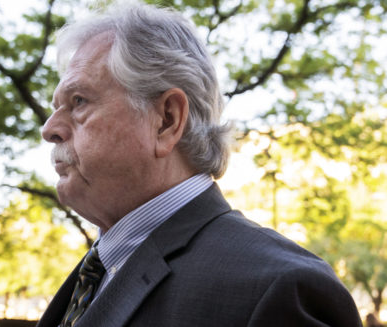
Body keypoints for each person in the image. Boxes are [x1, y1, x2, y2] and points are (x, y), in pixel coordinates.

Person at [37, 2, 363, 326]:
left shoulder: (280, 290)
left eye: (78, 101)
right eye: (56, 107)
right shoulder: (98, 270)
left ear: (167, 120)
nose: (49, 129)